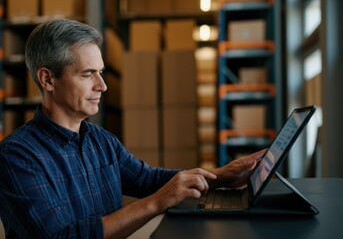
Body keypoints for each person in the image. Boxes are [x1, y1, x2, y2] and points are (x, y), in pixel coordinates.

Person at [0, 19, 266, 238]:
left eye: (101, 73)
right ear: (47, 79)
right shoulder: (17, 157)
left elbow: (147, 179)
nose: (102, 86)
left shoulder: (100, 141)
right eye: (87, 74)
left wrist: (222, 177)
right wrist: (157, 203)